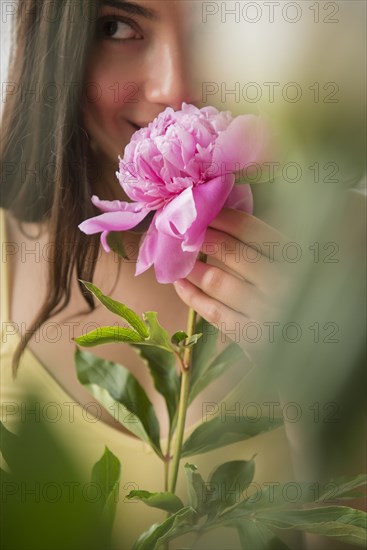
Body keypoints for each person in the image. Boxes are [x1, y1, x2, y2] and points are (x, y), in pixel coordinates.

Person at [1, 1, 364, 549]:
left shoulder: (349, 248)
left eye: (217, 28)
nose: (178, 86)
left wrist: (321, 400)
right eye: (118, 27)